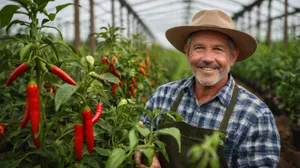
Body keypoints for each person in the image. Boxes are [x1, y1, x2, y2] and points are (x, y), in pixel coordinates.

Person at [135, 9, 280, 168]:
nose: (207, 58)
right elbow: (142, 137)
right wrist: (148, 154)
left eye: (218, 49)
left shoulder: (255, 115)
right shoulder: (162, 96)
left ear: (232, 57)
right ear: (187, 52)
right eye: (198, 48)